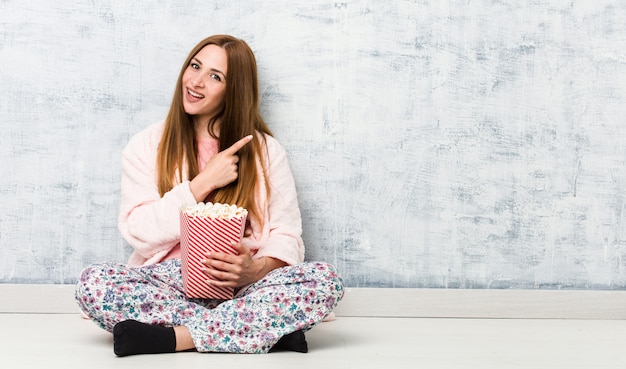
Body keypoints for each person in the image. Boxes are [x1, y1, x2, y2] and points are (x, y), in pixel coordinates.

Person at [75, 34, 344, 356]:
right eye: (195, 66)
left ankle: (173, 338)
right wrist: (200, 184)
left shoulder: (266, 151)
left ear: (234, 90)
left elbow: (286, 232)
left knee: (325, 279)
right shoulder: (146, 145)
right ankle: (262, 332)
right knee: (94, 282)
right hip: (170, 282)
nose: (196, 82)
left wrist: (255, 270)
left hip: (244, 287)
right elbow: (139, 231)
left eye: (215, 76)